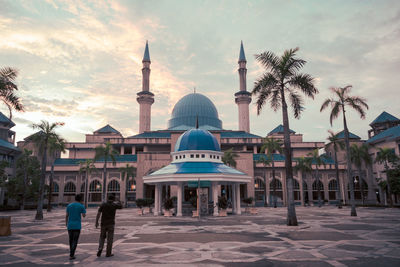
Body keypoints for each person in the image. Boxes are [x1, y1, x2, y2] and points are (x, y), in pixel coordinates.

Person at [66, 194, 86, 260]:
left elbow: (67, 216)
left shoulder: (69, 205)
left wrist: (66, 223)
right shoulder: (81, 206)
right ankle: (72, 254)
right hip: (77, 226)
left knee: (70, 240)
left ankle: (71, 253)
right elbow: (84, 215)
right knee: (75, 241)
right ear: (80, 199)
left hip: (70, 225)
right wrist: (83, 207)